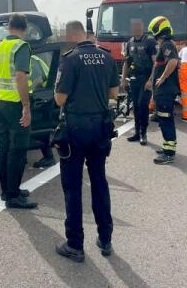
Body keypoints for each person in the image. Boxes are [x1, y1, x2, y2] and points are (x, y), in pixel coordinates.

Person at [53, 20, 120, 262]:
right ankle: (105, 238)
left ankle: (75, 245)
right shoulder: (107, 56)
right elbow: (114, 93)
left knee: (72, 187)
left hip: (76, 129)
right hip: (100, 128)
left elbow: (60, 99)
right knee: (99, 182)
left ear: (71, 34)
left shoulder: (70, 59)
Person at [0, 13, 38, 209]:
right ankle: (13, 196)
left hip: (1, 102)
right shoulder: (21, 47)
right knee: (17, 150)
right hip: (16, 104)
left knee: (3, 148)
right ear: (24, 28)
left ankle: (7, 191)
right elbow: (20, 77)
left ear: (8, 27)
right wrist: (26, 107)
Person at [148, 16, 180, 164]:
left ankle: (169, 153)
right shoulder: (165, 45)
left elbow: (173, 61)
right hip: (162, 92)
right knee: (163, 119)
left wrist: (163, 78)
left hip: (166, 91)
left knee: (166, 119)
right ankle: (167, 146)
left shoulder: (167, 44)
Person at [122, 18, 157, 145]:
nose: (136, 28)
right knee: (135, 106)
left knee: (143, 105)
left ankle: (143, 133)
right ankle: (137, 133)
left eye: (138, 26)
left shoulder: (150, 41)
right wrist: (123, 79)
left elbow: (156, 63)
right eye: (134, 26)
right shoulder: (130, 42)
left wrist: (150, 80)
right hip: (134, 79)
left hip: (146, 79)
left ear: (142, 27)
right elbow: (127, 62)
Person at [30, 54, 57, 168]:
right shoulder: (30, 58)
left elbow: (39, 79)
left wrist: (29, 93)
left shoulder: (32, 60)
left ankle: (48, 157)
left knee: (38, 128)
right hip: (38, 95)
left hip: (39, 96)